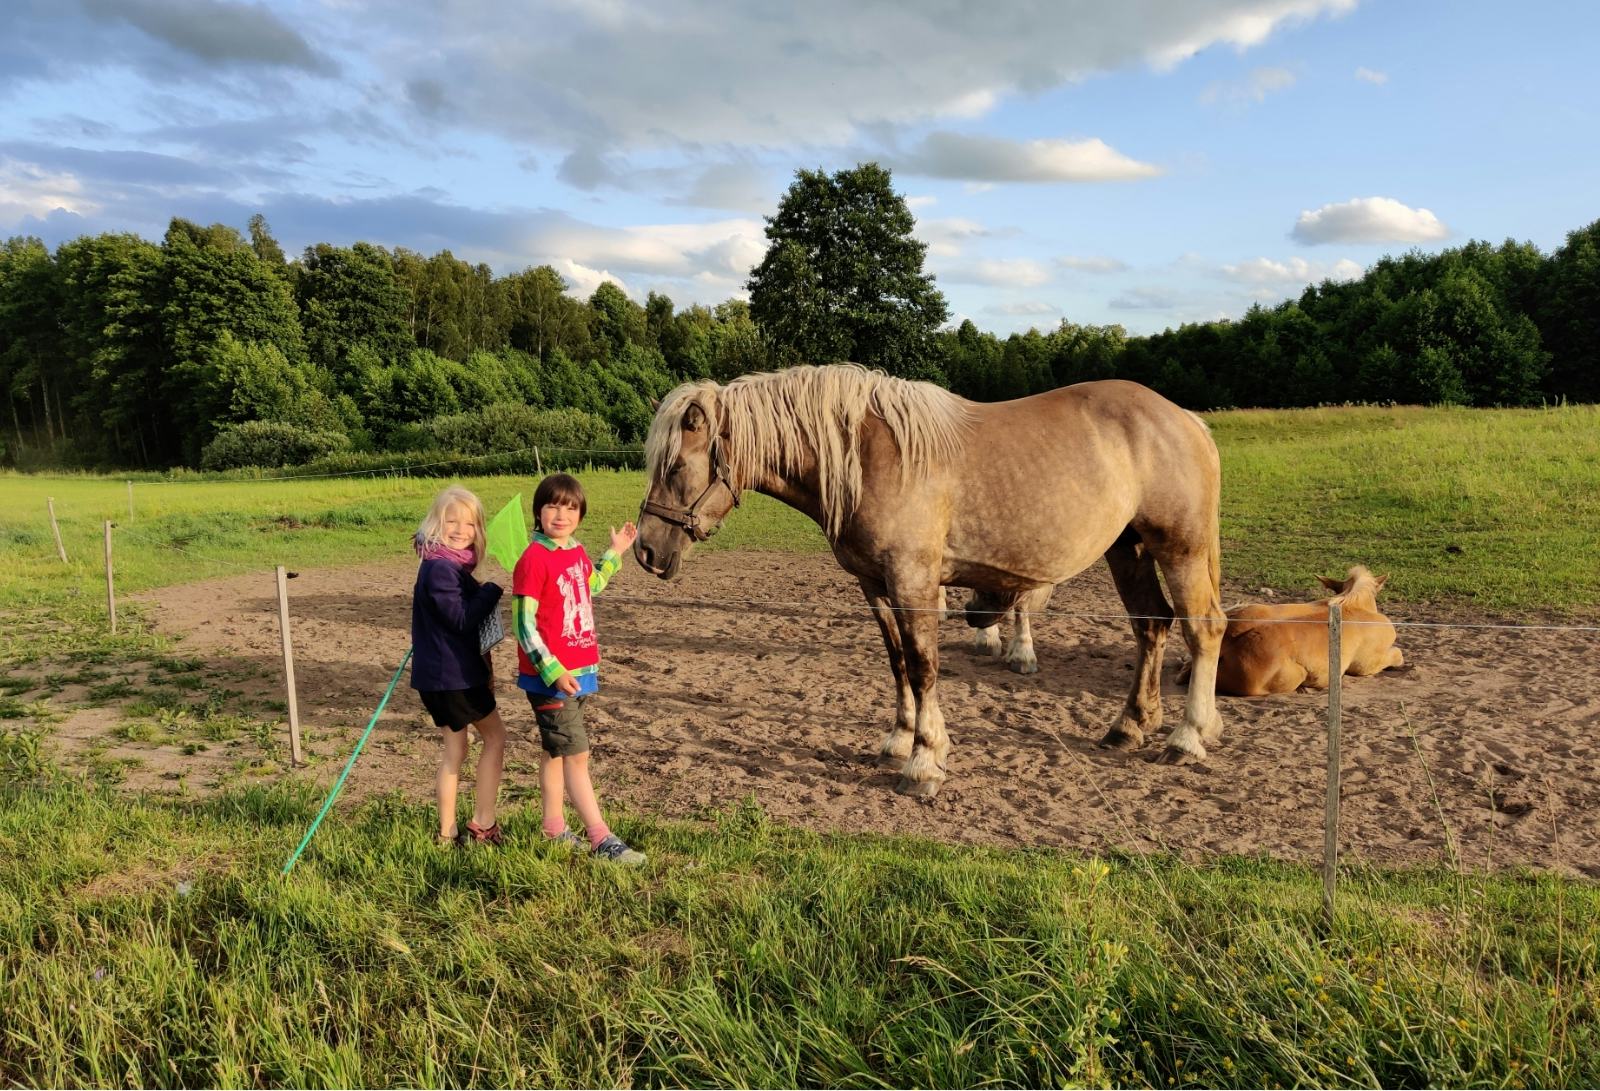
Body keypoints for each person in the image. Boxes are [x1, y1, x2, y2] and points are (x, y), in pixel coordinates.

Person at [512, 472, 645, 865]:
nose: (561, 514)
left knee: (555, 752)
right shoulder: (532, 559)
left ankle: (553, 829)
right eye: (553, 505)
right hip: (551, 679)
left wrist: (615, 551)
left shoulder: (574, 550)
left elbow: (592, 585)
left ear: (580, 513)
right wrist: (551, 670)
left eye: (570, 507)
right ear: (538, 511)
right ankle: (600, 837)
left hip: (581, 672)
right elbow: (523, 624)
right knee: (576, 755)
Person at [410, 485, 507, 847]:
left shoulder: (442, 566)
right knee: (495, 737)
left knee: (456, 750)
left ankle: (446, 833)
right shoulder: (440, 570)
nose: (461, 530)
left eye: (470, 524)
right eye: (452, 521)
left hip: (440, 676)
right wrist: (492, 589)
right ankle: (483, 822)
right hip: (455, 678)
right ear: (436, 523)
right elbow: (462, 619)